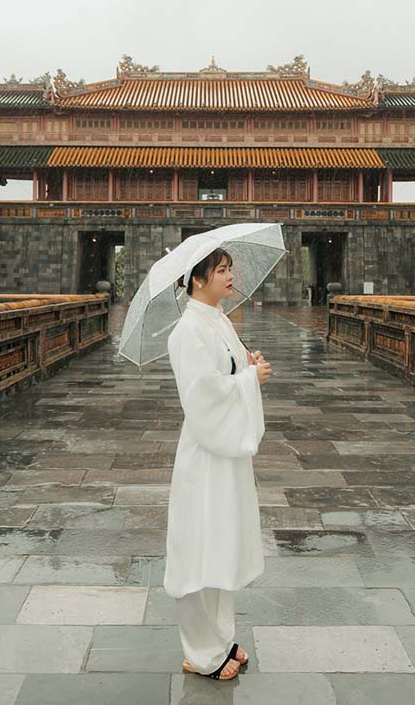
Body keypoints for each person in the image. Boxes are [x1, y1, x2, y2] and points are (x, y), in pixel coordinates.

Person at [164, 247, 273, 681]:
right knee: (199, 548)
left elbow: (224, 376)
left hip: (225, 454)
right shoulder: (186, 331)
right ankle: (202, 653)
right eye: (222, 270)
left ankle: (221, 637)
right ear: (197, 280)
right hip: (205, 452)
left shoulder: (219, 321)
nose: (231, 276)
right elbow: (202, 398)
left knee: (222, 545)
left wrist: (248, 367)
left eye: (230, 269)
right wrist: (247, 380)